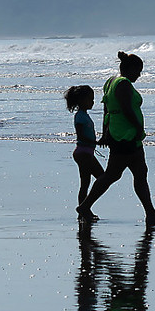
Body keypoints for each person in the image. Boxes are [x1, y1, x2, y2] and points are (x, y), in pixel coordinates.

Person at [81, 52, 155, 225]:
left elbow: (107, 110)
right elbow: (127, 110)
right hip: (126, 136)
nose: (139, 74)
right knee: (115, 175)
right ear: (130, 69)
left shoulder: (111, 82)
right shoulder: (123, 84)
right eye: (138, 70)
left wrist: (105, 132)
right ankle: (85, 206)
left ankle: (151, 213)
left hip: (119, 135)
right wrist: (138, 128)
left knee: (136, 173)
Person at [66, 84, 106, 219]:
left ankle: (84, 211)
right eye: (90, 99)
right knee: (102, 178)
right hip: (83, 153)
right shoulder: (80, 116)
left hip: (86, 152)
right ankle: (84, 208)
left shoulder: (84, 115)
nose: (93, 102)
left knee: (85, 183)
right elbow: (81, 136)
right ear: (82, 100)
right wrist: (96, 142)